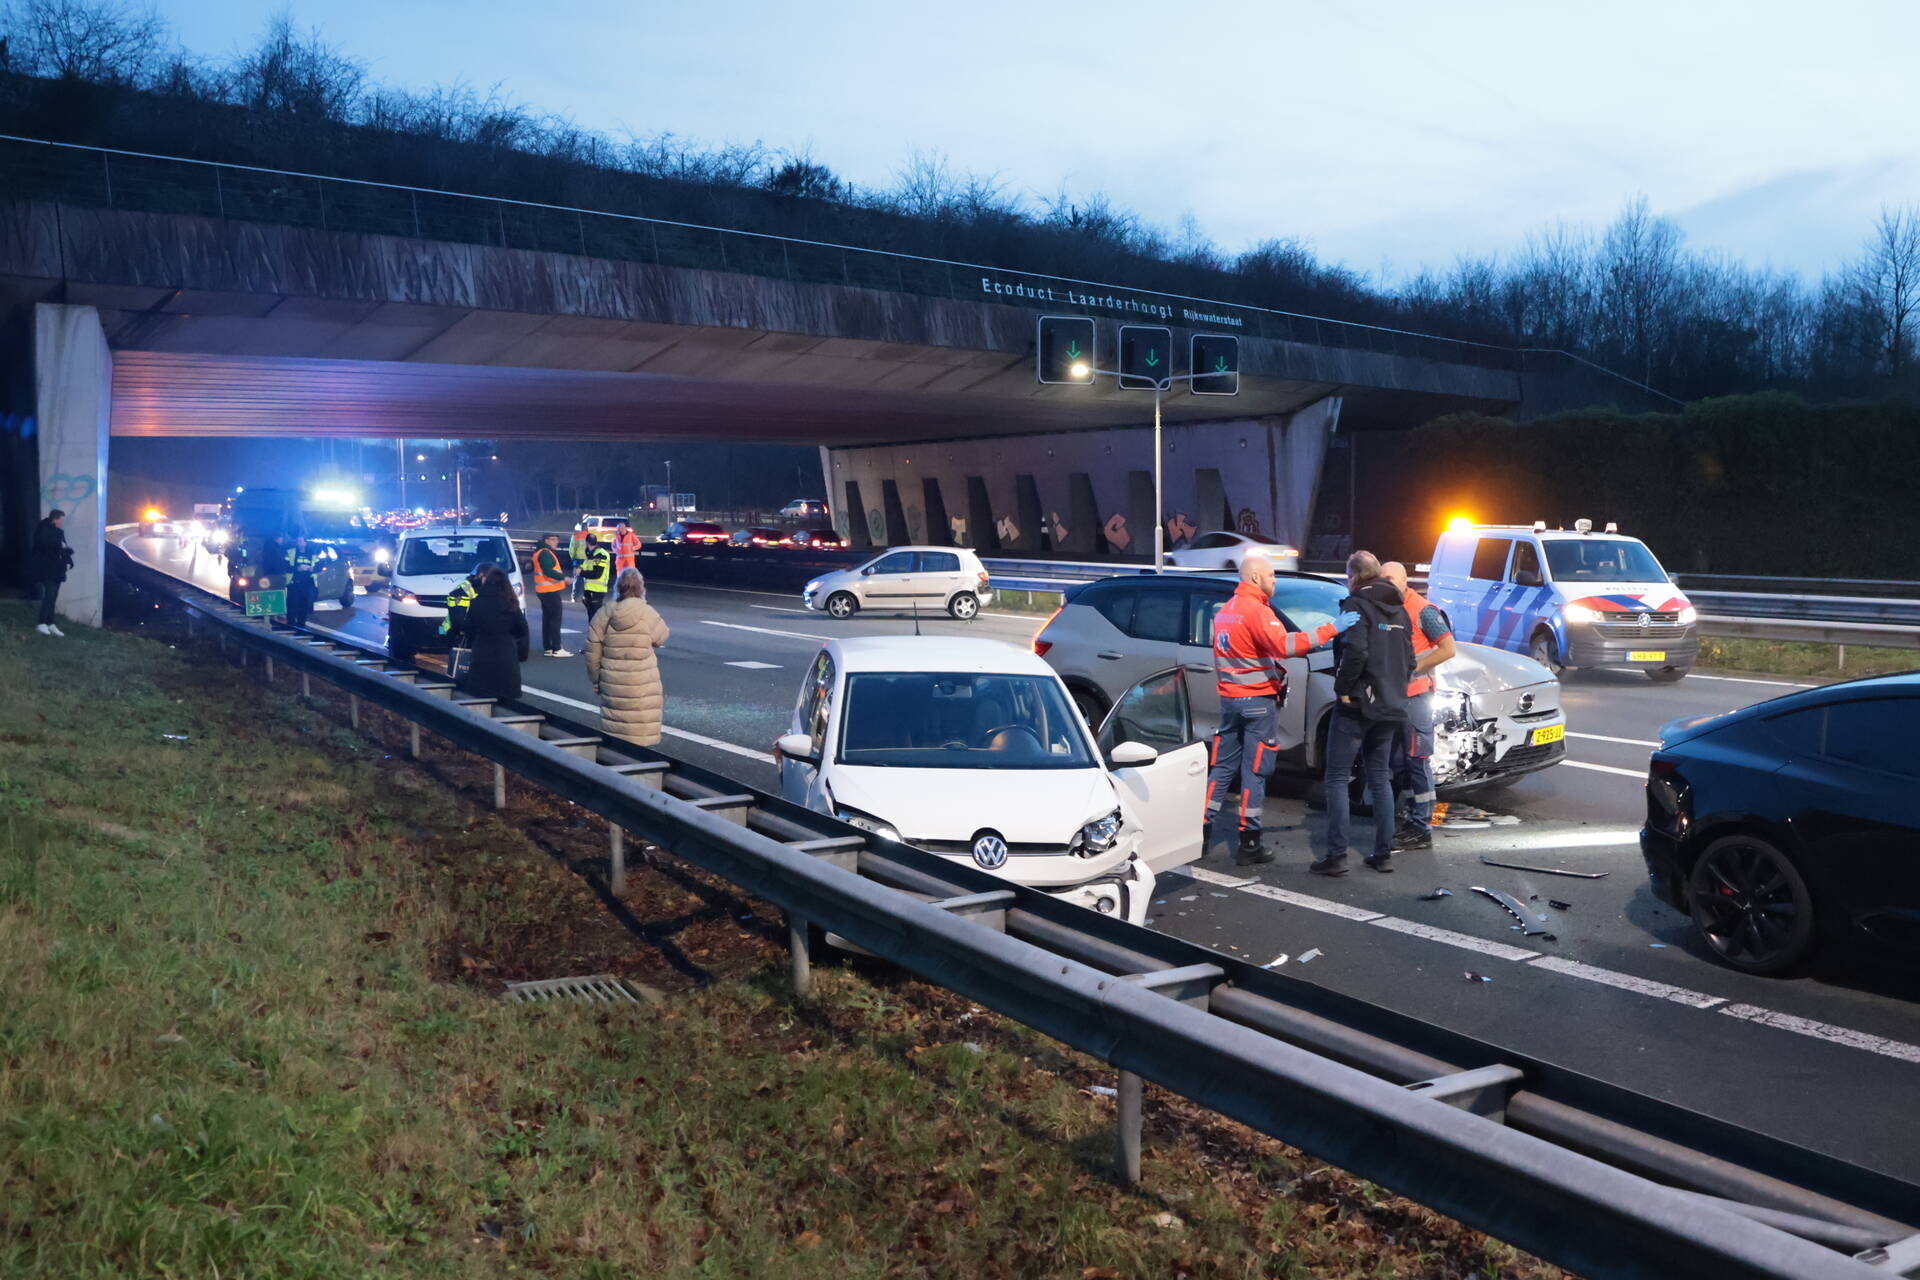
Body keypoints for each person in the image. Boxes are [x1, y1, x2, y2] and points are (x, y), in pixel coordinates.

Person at [1205, 554, 1356, 866]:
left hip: (1230, 701)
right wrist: (1333, 628)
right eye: (1271, 575)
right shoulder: (1257, 611)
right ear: (1256, 577)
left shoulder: (1226, 610)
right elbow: (1287, 646)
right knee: (1255, 771)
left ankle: (1201, 831)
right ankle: (1249, 842)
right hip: (1257, 703)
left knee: (1221, 768)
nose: (1274, 580)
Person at [1316, 551, 1415, 876]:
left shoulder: (1356, 605)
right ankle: (1383, 854)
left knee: (1337, 777)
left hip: (1358, 704)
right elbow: (1410, 660)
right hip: (1391, 704)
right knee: (1380, 777)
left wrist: (1343, 687)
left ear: (1354, 577)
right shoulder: (1400, 609)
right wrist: (1394, 688)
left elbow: (1355, 650)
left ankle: (1336, 856)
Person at [1382, 561, 1457, 852]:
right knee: (1397, 762)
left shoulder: (1423, 610)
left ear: (1405, 582)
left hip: (1416, 698)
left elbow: (1448, 649)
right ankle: (1405, 817)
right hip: (1394, 698)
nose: (1386, 583)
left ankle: (1421, 826)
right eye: (1383, 578)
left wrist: (1412, 667)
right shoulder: (1387, 606)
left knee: (1417, 760)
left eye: (1391, 578)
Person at [585, 568, 670, 746]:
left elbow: (592, 651)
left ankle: (614, 758)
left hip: (612, 681)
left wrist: (596, 680)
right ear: (641, 588)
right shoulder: (646, 612)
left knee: (616, 729)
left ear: (618, 587)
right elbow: (662, 636)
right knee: (641, 730)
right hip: (643, 683)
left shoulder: (604, 613)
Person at [458, 565, 529, 701]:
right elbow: (522, 628)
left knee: (482, 695)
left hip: (482, 653)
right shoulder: (510, 603)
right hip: (506, 653)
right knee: (507, 699)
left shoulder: (477, 603)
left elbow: (469, 628)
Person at [29, 508, 74, 636]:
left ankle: (50, 623)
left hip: (57, 569)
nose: (62, 523)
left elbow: (63, 548)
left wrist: (69, 560)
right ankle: (41, 623)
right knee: (49, 594)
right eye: (61, 520)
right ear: (55, 519)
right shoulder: (43, 529)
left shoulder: (59, 532)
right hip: (47, 568)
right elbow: (43, 544)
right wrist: (60, 546)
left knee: (53, 596)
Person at [530, 532, 573, 658]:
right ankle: (557, 648)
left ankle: (548, 647)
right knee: (555, 619)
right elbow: (548, 571)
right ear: (546, 540)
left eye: (557, 539)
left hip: (543, 590)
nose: (556, 542)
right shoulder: (545, 553)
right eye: (553, 539)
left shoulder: (540, 552)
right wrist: (564, 577)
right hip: (550, 590)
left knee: (548, 619)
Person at [440, 565, 484, 645]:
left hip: (455, 631)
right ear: (478, 577)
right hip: (452, 633)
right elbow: (458, 621)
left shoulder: (474, 589)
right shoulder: (462, 592)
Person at [286, 535, 319, 627]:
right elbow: (285, 566)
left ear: (305, 543)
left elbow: (318, 566)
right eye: (297, 541)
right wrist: (298, 568)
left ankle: (301, 624)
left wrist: (312, 568)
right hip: (293, 582)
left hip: (307, 583)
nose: (298, 543)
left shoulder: (312, 554)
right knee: (292, 604)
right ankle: (290, 624)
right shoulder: (291, 552)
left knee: (304, 605)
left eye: (300, 541)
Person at [578, 542, 614, 622]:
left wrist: (581, 572)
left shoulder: (601, 554)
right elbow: (585, 565)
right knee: (592, 616)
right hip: (589, 589)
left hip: (597, 590)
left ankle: (596, 629)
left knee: (595, 617)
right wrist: (580, 568)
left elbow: (596, 574)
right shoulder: (590, 554)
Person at [568, 523, 591, 600]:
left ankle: (573, 597)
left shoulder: (575, 536)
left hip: (578, 559)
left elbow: (571, 549)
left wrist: (573, 558)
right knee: (587, 579)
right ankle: (587, 597)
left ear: (581, 528)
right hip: (587, 559)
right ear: (587, 528)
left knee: (576, 578)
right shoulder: (590, 536)